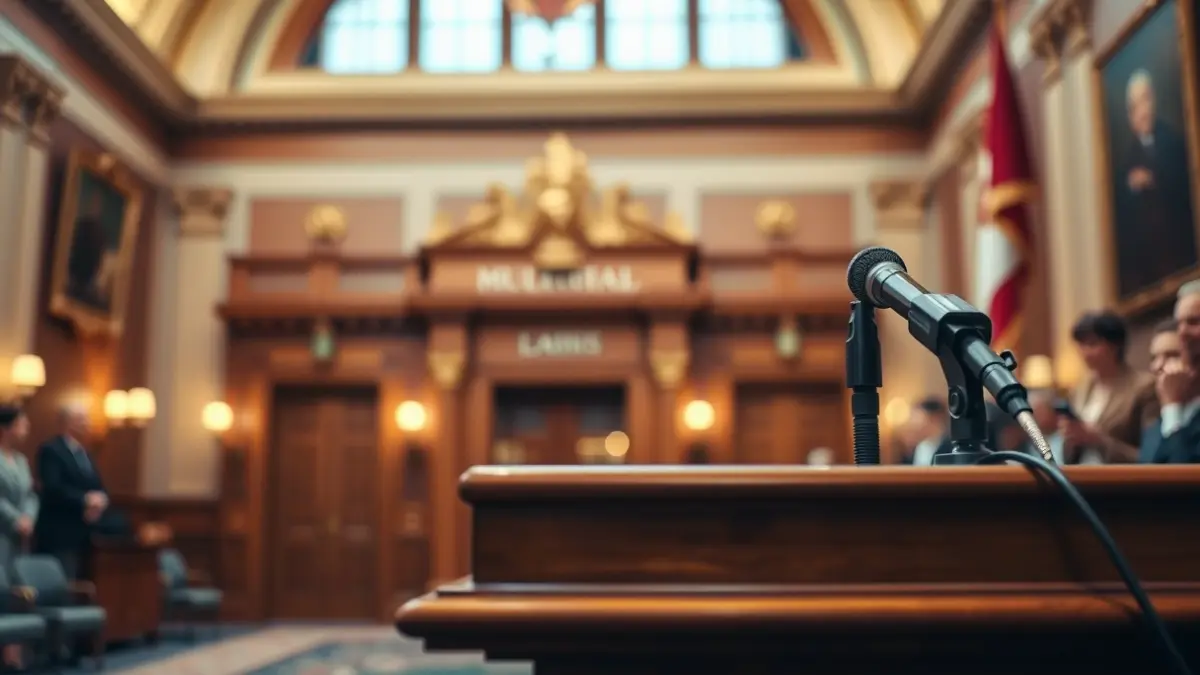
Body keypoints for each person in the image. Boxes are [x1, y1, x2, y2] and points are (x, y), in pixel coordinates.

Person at [1116, 70, 1197, 292]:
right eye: (1134, 106)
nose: (1141, 111)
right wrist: (1132, 187)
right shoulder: (1126, 162)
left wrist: (1153, 179)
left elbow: (1185, 192)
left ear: (1154, 101)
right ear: (1129, 114)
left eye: (1145, 100)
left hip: (1179, 251)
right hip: (1147, 266)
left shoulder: (1173, 141)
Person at [1061, 311, 1158, 463]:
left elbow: (1151, 455)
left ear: (1115, 345)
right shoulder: (1080, 390)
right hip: (1080, 479)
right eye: (1081, 344)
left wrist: (1098, 440)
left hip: (1121, 481)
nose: (1085, 352)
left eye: (1092, 344)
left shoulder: (1143, 387)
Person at [33, 404, 108, 580]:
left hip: (86, 532)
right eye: (84, 419)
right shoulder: (51, 450)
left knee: (83, 583)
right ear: (70, 423)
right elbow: (53, 488)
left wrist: (100, 501)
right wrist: (85, 500)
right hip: (60, 533)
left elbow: (99, 486)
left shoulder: (84, 453)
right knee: (64, 584)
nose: (88, 423)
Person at [1141, 284, 1200, 463]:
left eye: (1193, 321)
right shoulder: (1155, 427)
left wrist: (1172, 407)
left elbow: (1184, 484)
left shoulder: (1170, 409)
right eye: (1178, 323)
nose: (1182, 332)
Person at [0, 406, 36, 668]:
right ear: (5, 428)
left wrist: (28, 518)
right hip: (2, 533)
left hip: (20, 538)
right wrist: (15, 519)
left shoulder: (22, 460)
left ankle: (13, 654)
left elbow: (32, 496)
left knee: (18, 590)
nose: (26, 428)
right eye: (22, 424)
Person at [898, 397, 950, 466]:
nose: (913, 423)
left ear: (934, 418)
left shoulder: (950, 449)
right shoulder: (918, 447)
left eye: (917, 417)